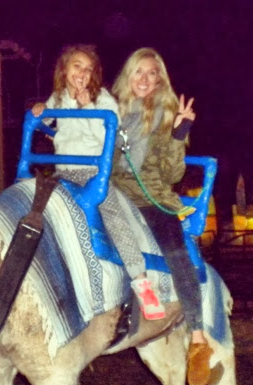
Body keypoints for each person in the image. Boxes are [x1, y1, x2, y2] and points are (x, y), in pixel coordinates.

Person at [31, 44, 165, 321]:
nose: (83, 73)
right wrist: (41, 110)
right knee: (35, 205)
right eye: (77, 66)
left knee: (113, 215)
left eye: (88, 69)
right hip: (62, 171)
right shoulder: (59, 96)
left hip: (93, 171)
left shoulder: (102, 98)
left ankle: (140, 281)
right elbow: (48, 118)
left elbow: (107, 137)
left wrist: (87, 106)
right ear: (64, 69)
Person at [111, 47, 212, 385]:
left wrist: (179, 133)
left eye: (152, 73)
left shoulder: (166, 115)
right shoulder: (112, 110)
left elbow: (172, 174)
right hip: (112, 191)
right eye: (138, 71)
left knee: (176, 252)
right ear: (128, 75)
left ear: (159, 80)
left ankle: (197, 338)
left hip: (151, 195)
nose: (144, 79)